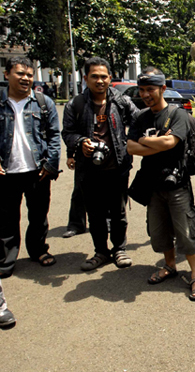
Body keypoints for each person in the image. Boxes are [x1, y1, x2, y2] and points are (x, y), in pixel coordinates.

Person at [127, 67, 195, 301]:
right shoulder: (141, 117)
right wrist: (153, 142)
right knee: (159, 232)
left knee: (186, 232)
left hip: (177, 185)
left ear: (162, 89)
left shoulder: (178, 115)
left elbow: (171, 142)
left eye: (150, 89)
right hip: (152, 186)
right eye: (142, 90)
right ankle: (170, 266)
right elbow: (130, 148)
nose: (145, 94)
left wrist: (143, 140)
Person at [62, 57, 138, 271]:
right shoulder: (75, 104)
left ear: (110, 78)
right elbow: (67, 132)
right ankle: (101, 252)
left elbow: (138, 121)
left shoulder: (121, 101)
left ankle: (119, 249)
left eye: (104, 76)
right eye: (94, 76)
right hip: (89, 170)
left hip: (117, 168)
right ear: (85, 78)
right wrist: (80, 142)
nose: (99, 81)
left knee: (118, 213)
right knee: (94, 214)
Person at [0, 56, 61, 278]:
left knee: (38, 216)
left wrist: (51, 163)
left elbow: (55, 136)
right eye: (20, 73)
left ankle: (38, 251)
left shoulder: (43, 102)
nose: (25, 78)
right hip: (6, 171)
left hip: (38, 170)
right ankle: (6, 260)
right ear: (7, 74)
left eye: (29, 74)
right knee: (6, 219)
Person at [62, 153, 87, 238]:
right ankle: (76, 225)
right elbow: (70, 138)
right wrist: (70, 154)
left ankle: (107, 221)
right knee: (79, 190)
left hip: (109, 152)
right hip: (83, 154)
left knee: (106, 188)